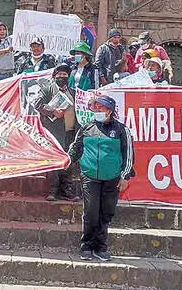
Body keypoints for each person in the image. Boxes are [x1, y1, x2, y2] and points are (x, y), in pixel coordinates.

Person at [68, 95, 134, 261]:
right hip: (89, 176)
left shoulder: (121, 130)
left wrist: (125, 176)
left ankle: (101, 247)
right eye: (95, 108)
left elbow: (129, 155)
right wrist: (64, 161)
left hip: (112, 178)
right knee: (90, 212)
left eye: (101, 108)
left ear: (110, 111)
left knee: (106, 213)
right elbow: (74, 150)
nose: (97, 111)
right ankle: (87, 246)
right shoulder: (85, 128)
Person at [33, 64, 77, 201]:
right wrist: (52, 111)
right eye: (59, 75)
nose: (62, 77)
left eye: (65, 75)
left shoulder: (73, 92)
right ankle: (52, 191)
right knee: (54, 160)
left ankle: (66, 191)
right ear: (54, 76)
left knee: (68, 161)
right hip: (54, 132)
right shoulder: (47, 89)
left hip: (70, 132)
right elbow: (37, 104)